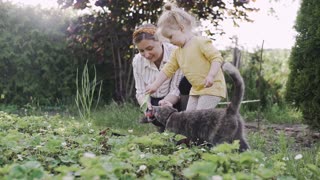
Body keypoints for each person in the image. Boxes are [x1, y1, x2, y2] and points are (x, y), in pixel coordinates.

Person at [146, 3, 227, 111]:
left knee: (198, 118)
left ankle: (213, 127)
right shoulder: (177, 52)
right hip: (196, 89)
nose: (170, 41)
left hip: (212, 88)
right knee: (189, 118)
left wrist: (211, 76)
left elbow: (216, 58)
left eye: (171, 36)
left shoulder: (200, 42)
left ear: (181, 28)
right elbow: (167, 70)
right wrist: (155, 85)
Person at [132, 23, 191, 113]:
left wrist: (165, 103)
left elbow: (176, 88)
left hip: (175, 100)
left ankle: (185, 118)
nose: (147, 55)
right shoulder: (137, 61)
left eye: (150, 48)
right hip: (154, 101)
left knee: (186, 83)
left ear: (160, 41)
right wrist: (146, 106)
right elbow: (140, 91)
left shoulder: (175, 52)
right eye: (141, 51)